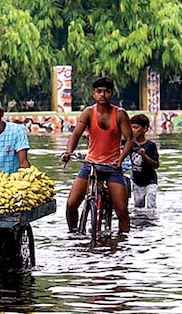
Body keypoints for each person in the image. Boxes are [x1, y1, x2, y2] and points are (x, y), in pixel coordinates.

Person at [62, 76, 134, 234]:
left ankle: (124, 241)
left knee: (122, 210)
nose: (102, 95)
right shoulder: (88, 112)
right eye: (99, 91)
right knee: (71, 205)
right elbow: (76, 134)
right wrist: (69, 151)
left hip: (112, 166)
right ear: (94, 93)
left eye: (106, 92)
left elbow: (129, 139)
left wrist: (121, 159)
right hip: (90, 165)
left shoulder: (120, 114)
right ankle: (74, 234)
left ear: (111, 94)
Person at [127, 113, 160, 212]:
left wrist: (144, 156)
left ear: (144, 129)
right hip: (137, 182)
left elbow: (156, 165)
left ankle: (151, 223)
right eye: (131, 127)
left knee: (151, 205)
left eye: (135, 127)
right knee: (138, 207)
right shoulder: (129, 144)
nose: (132, 130)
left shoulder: (150, 145)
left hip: (150, 181)